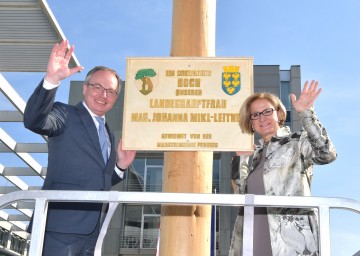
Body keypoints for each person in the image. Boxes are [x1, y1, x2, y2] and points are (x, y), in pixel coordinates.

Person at [24, 40, 136, 256]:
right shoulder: (64, 115)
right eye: (97, 87)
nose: (103, 95)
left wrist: (120, 167)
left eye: (110, 92)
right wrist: (51, 81)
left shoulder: (108, 132)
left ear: (115, 98)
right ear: (85, 88)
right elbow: (34, 120)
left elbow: (97, 180)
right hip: (59, 229)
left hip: (93, 232)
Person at [228, 80, 337, 256]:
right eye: (255, 115)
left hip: (291, 243)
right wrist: (241, 160)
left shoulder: (296, 142)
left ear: (279, 113)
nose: (262, 118)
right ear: (251, 123)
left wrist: (306, 114)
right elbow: (240, 198)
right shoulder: (252, 155)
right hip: (252, 238)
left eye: (267, 111)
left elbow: (327, 154)